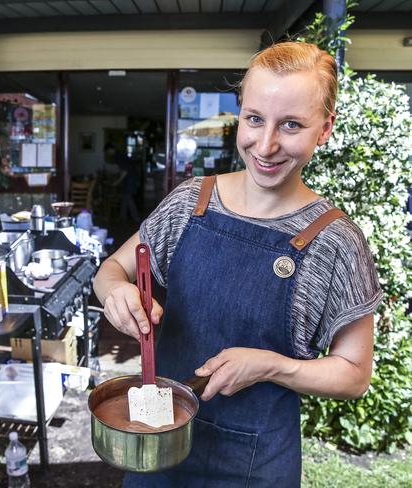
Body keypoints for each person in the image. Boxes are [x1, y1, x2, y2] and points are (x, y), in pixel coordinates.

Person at [93, 42, 381, 487]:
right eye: (254, 119)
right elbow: (111, 269)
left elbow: (354, 375)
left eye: (291, 125)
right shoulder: (191, 202)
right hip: (157, 449)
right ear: (239, 115)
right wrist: (116, 292)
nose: (265, 145)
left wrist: (271, 366)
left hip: (256, 465)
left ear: (324, 129)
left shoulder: (337, 242)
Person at [104, 142, 141, 223]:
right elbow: (122, 169)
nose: (108, 154)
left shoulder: (118, 156)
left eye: (107, 152)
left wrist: (117, 182)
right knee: (125, 197)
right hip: (131, 178)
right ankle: (122, 217)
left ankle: (136, 218)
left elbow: (125, 171)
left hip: (131, 179)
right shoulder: (119, 155)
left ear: (110, 150)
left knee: (128, 197)